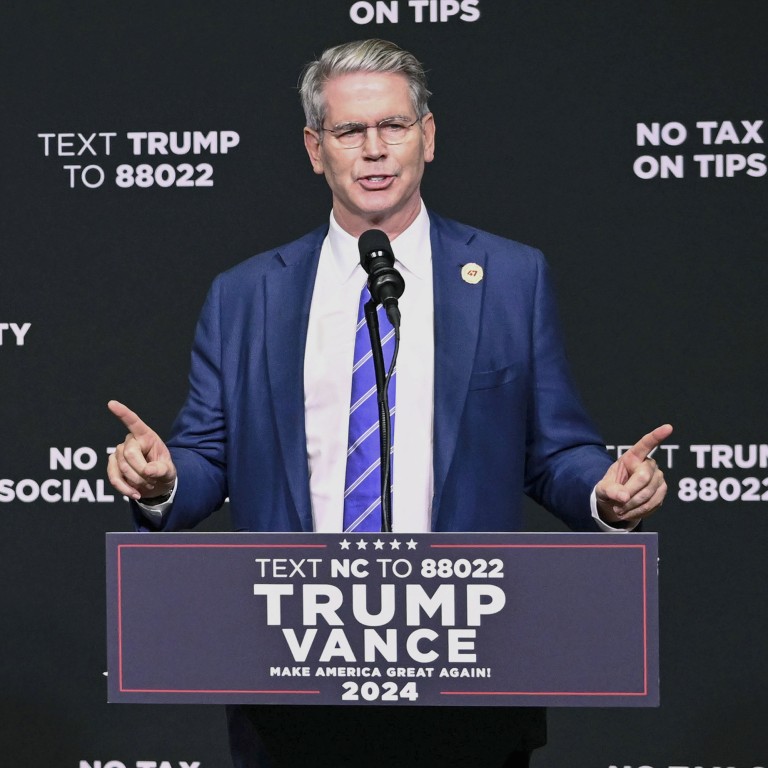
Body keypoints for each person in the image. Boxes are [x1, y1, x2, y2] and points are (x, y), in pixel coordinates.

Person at [107, 39, 671, 768]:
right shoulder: (247, 294)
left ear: (428, 137)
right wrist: (164, 482)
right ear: (316, 149)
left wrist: (604, 490)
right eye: (349, 131)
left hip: (468, 667)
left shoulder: (509, 277)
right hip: (294, 670)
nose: (374, 150)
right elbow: (208, 457)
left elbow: (553, 450)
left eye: (394, 127)